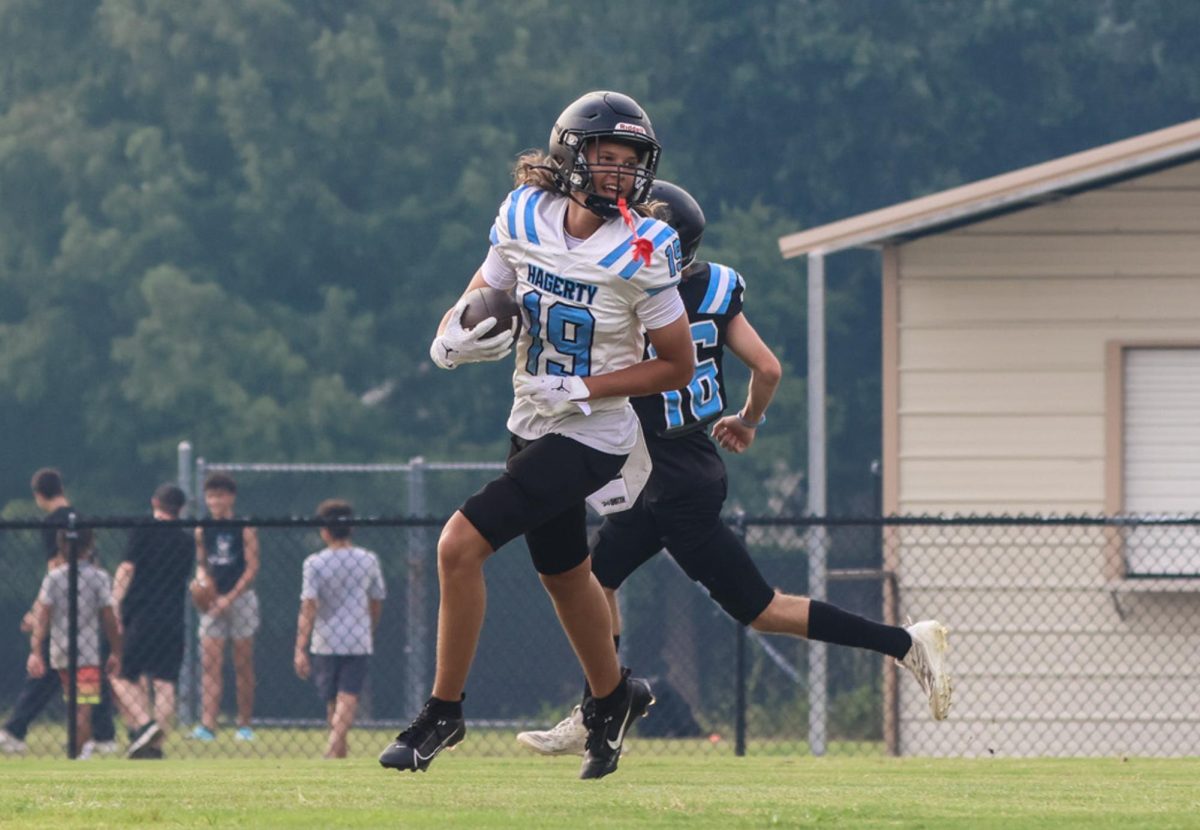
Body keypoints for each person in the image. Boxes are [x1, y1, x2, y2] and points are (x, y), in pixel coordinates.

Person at [515, 182, 952, 756]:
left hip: (673, 482)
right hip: (681, 465)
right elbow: (767, 368)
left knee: (762, 610)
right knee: (595, 581)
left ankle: (904, 642)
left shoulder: (632, 291)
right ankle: (604, 707)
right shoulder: (714, 287)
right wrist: (747, 419)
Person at [378, 90, 695, 780]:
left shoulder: (646, 244)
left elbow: (678, 364)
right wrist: (451, 335)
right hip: (531, 418)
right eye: (606, 158)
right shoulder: (524, 214)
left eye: (630, 162)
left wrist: (588, 387)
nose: (620, 173)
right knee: (562, 573)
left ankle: (442, 713)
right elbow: (479, 295)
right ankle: (613, 698)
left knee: (459, 545)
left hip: (594, 431)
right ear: (571, 158)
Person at [1, 468, 118, 757]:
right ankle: (102, 736)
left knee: (52, 670)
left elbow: (55, 564)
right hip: (89, 607)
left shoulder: (53, 523)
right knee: (86, 678)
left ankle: (16, 730)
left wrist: (38, 609)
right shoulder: (78, 517)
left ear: (38, 494)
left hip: (63, 607)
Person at [294, 499, 386, 759]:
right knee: (346, 696)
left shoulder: (314, 563)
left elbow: (309, 605)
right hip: (358, 635)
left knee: (337, 696)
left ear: (324, 531)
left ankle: (332, 746)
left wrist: (300, 646)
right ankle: (340, 752)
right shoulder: (367, 559)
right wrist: (369, 625)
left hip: (325, 638)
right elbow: (377, 599)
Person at [110, 483, 194, 760]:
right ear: (181, 508)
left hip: (142, 614)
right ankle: (154, 747)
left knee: (121, 675)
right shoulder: (186, 539)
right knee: (164, 681)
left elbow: (127, 568)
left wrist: (115, 605)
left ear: (154, 502)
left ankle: (146, 725)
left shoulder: (144, 529)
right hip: (173, 617)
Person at [26, 527, 123, 757]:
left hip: (60, 650)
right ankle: (78, 753)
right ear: (90, 546)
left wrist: (37, 650)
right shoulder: (98, 577)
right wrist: (116, 650)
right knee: (84, 705)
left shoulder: (54, 578)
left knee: (72, 703)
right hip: (88, 651)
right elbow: (109, 617)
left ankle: (78, 749)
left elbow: (43, 616)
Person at [192, 472, 260, 742]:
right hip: (212, 601)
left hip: (240, 598)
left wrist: (228, 598)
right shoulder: (202, 528)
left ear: (230, 497)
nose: (215, 501)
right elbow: (202, 563)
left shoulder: (244, 527)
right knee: (210, 664)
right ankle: (208, 724)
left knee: (243, 664)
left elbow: (252, 567)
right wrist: (204, 584)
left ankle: (244, 724)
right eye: (210, 496)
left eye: (219, 495)